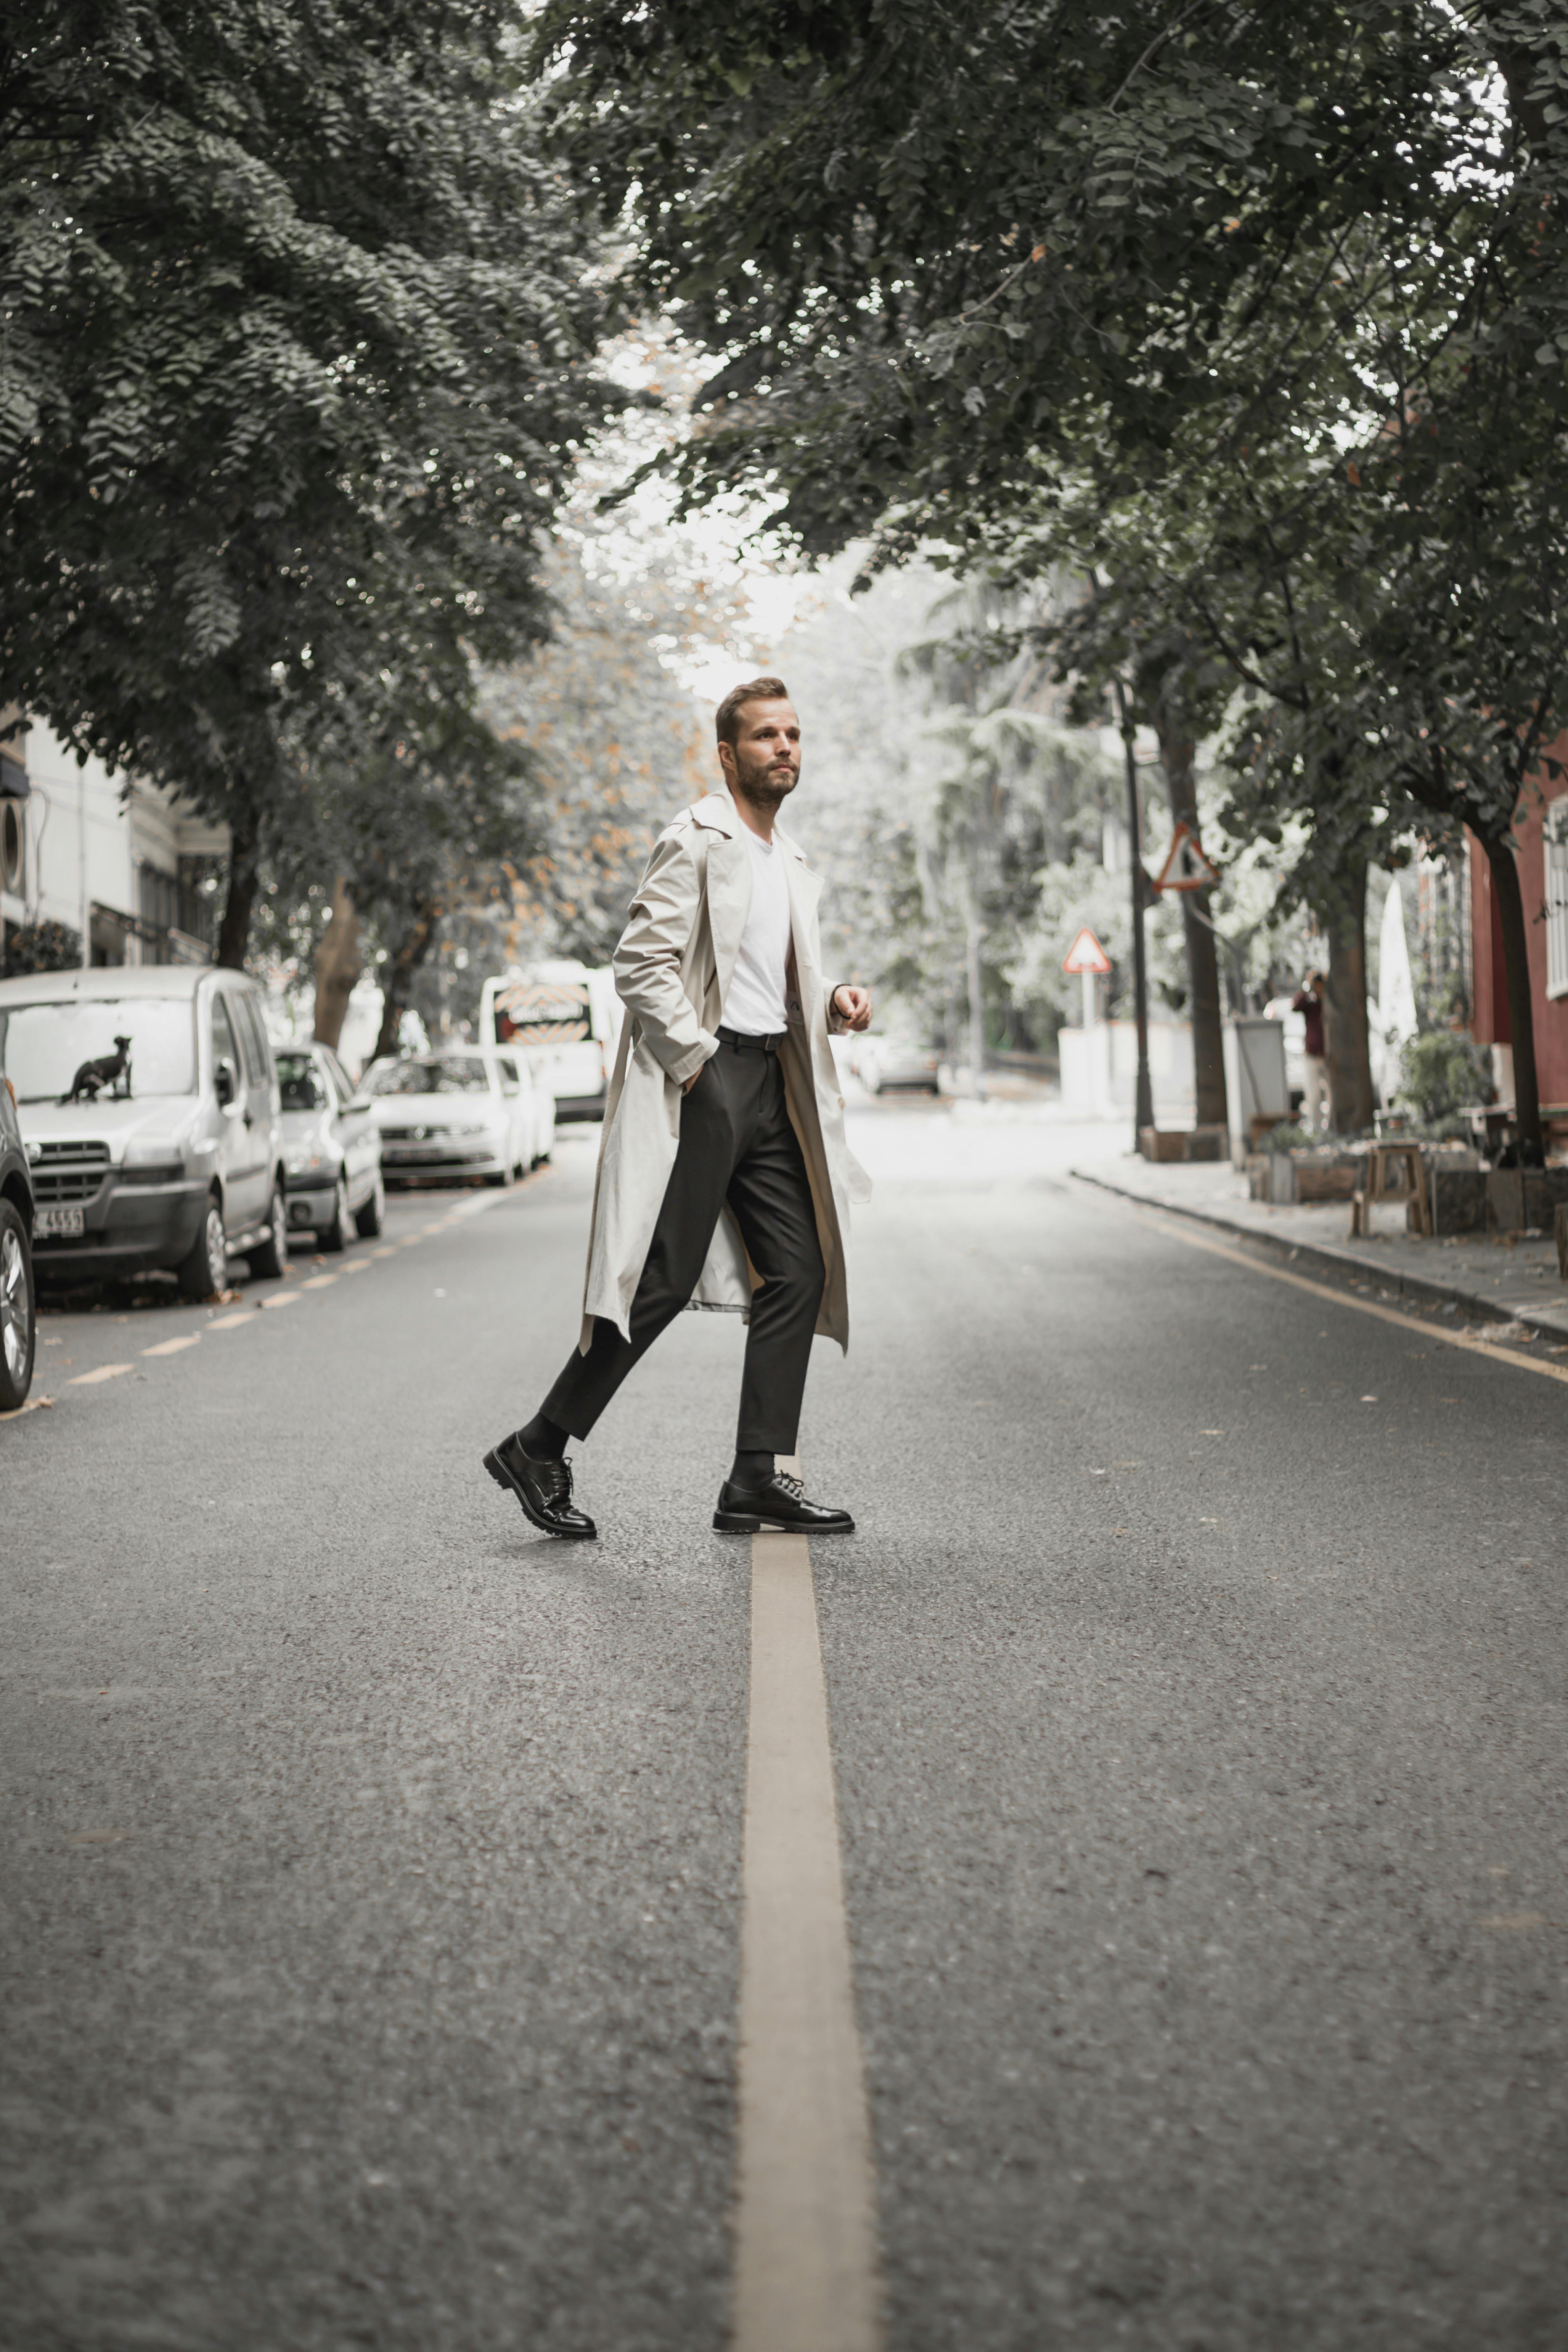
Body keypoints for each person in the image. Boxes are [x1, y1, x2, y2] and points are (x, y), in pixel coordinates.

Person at [484, 676, 873, 1541]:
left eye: (794, 734)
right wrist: (696, 1063)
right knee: (657, 1282)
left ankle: (755, 1476)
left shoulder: (791, 862)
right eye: (766, 736)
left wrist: (835, 1000)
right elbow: (640, 963)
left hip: (776, 1081)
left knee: (799, 1270)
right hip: (711, 1079)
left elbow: (776, 983)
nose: (785, 748)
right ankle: (538, 1444)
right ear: (729, 755)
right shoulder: (697, 839)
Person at [1292, 969, 1327, 1131]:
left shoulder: (1327, 1004)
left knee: (1332, 1095)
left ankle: (1332, 1127)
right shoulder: (1310, 1004)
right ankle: (1317, 1129)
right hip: (1312, 1055)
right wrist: (1308, 988)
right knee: (1313, 1096)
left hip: (1328, 1056)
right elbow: (1296, 1006)